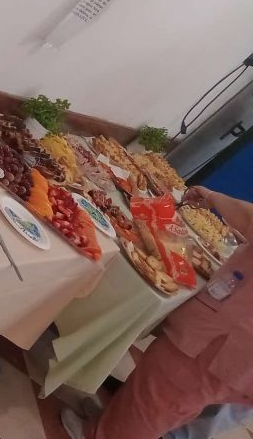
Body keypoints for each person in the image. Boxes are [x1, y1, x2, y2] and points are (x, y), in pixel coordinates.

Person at [61, 186, 253, 439]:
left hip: (225, 343)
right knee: (163, 391)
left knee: (162, 396)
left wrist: (212, 196)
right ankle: (109, 423)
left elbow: (249, 219)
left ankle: (101, 434)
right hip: (228, 338)